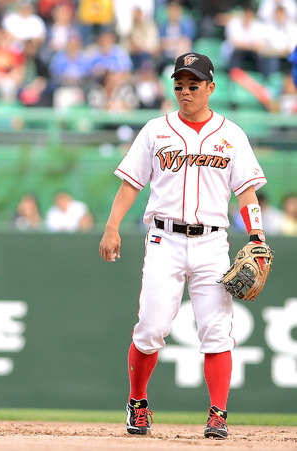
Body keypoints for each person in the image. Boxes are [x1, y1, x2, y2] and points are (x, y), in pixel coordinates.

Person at [99, 52, 268, 439]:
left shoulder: (231, 135)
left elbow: (247, 193)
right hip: (165, 239)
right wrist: (112, 226)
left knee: (217, 331)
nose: (185, 91)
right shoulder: (155, 130)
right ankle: (137, 402)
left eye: (194, 85)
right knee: (151, 328)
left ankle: (218, 414)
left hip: (212, 243)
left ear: (211, 87)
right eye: (179, 85)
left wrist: (257, 236)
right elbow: (131, 184)